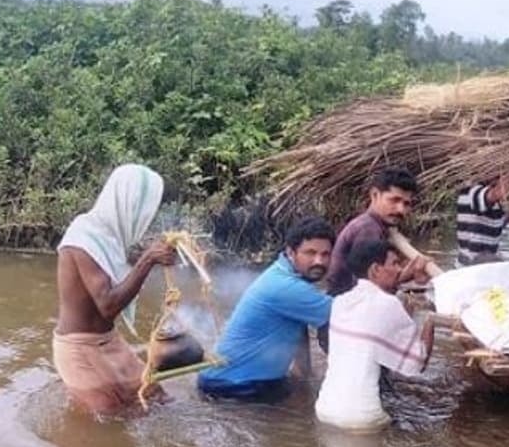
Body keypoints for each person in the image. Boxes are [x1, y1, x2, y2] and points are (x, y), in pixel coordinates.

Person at [53, 164, 176, 414]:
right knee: (107, 418)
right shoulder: (83, 237)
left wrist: (152, 257)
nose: (147, 217)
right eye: (144, 209)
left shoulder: (108, 236)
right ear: (127, 204)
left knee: (157, 398)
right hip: (77, 347)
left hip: (108, 340)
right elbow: (108, 305)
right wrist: (148, 259)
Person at [197, 217, 334, 402]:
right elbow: (348, 317)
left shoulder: (284, 275)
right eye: (310, 253)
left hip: (231, 378)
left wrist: (304, 376)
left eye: (326, 254)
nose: (319, 261)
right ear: (291, 252)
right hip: (234, 385)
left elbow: (299, 327)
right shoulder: (286, 287)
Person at [315, 239, 433, 430]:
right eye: (394, 263)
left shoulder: (340, 302)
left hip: (325, 409)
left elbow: (375, 333)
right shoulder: (388, 304)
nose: (399, 270)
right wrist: (430, 319)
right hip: (361, 417)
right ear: (375, 269)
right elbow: (418, 364)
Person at [325, 168, 421, 296]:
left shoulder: (375, 225)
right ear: (375, 195)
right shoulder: (367, 229)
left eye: (406, 204)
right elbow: (370, 286)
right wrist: (408, 274)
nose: (401, 210)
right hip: (348, 303)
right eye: (394, 200)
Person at [455, 173, 509, 267]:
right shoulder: (473, 192)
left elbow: (492, 225)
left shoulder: (492, 204)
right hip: (470, 268)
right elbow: (499, 192)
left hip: (486, 265)